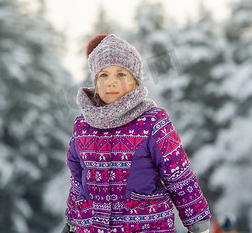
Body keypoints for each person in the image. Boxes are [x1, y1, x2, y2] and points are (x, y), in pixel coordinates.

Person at [62, 34, 211, 233]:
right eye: (104, 75)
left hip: (144, 225)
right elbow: (77, 181)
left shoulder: (152, 122)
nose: (111, 82)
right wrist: (72, 220)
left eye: (121, 75)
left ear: (135, 81)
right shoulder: (83, 126)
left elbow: (178, 176)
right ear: (96, 82)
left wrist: (198, 223)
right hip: (92, 227)